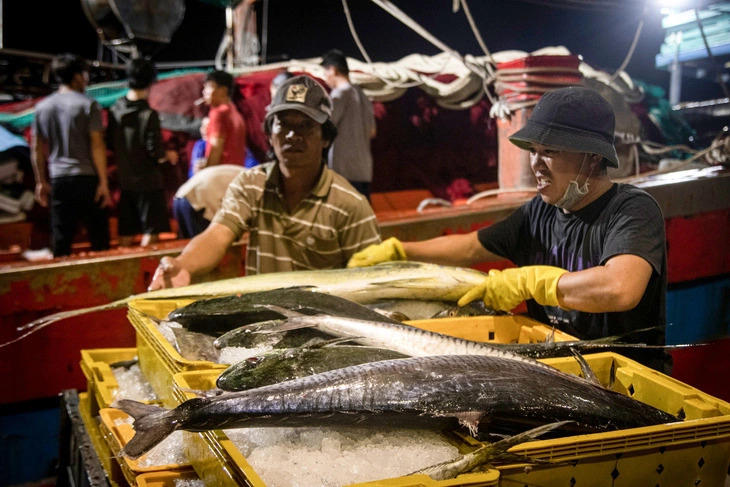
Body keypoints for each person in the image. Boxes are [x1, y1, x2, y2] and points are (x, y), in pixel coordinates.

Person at [349, 87, 667, 353]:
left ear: (592, 156)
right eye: (533, 150)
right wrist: (399, 251)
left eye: (550, 152)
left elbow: (620, 287)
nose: (536, 165)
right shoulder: (539, 213)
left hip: (627, 379)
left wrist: (533, 282)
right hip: (560, 369)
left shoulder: (632, 210)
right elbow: (472, 247)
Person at [148, 75, 381, 289]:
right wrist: (183, 264)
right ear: (270, 134)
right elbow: (218, 235)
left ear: (326, 138)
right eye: (283, 124)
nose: (292, 134)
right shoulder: (251, 184)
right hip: (264, 324)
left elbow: (374, 281)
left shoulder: (350, 205)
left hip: (324, 330)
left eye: (306, 125)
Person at [31, 53, 111, 257]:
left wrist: (41, 181)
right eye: (85, 74)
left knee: (61, 239)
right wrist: (103, 182)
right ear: (77, 77)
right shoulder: (88, 104)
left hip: (58, 179)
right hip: (87, 178)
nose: (86, 79)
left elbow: (37, 148)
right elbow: (97, 145)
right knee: (99, 238)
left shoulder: (42, 107)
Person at [107, 58, 178, 247]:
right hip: (148, 182)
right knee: (151, 230)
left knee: (126, 231)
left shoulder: (115, 109)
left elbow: (110, 143)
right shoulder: (149, 115)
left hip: (125, 179)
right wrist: (168, 155)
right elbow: (154, 151)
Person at [320, 49, 376, 199]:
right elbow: (372, 132)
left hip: (344, 171)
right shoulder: (364, 96)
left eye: (325, 75)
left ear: (333, 70)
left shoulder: (339, 94)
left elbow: (326, 128)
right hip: (363, 170)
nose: (325, 80)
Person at [193, 70, 247, 173]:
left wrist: (206, 171)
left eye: (209, 87)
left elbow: (216, 147)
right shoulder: (235, 112)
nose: (204, 91)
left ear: (223, 90)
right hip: (235, 174)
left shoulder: (218, 113)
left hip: (220, 176)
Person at [173, 164, 243, 239]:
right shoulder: (253, 180)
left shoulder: (247, 174)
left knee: (189, 246)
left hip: (181, 196)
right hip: (200, 200)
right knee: (207, 246)